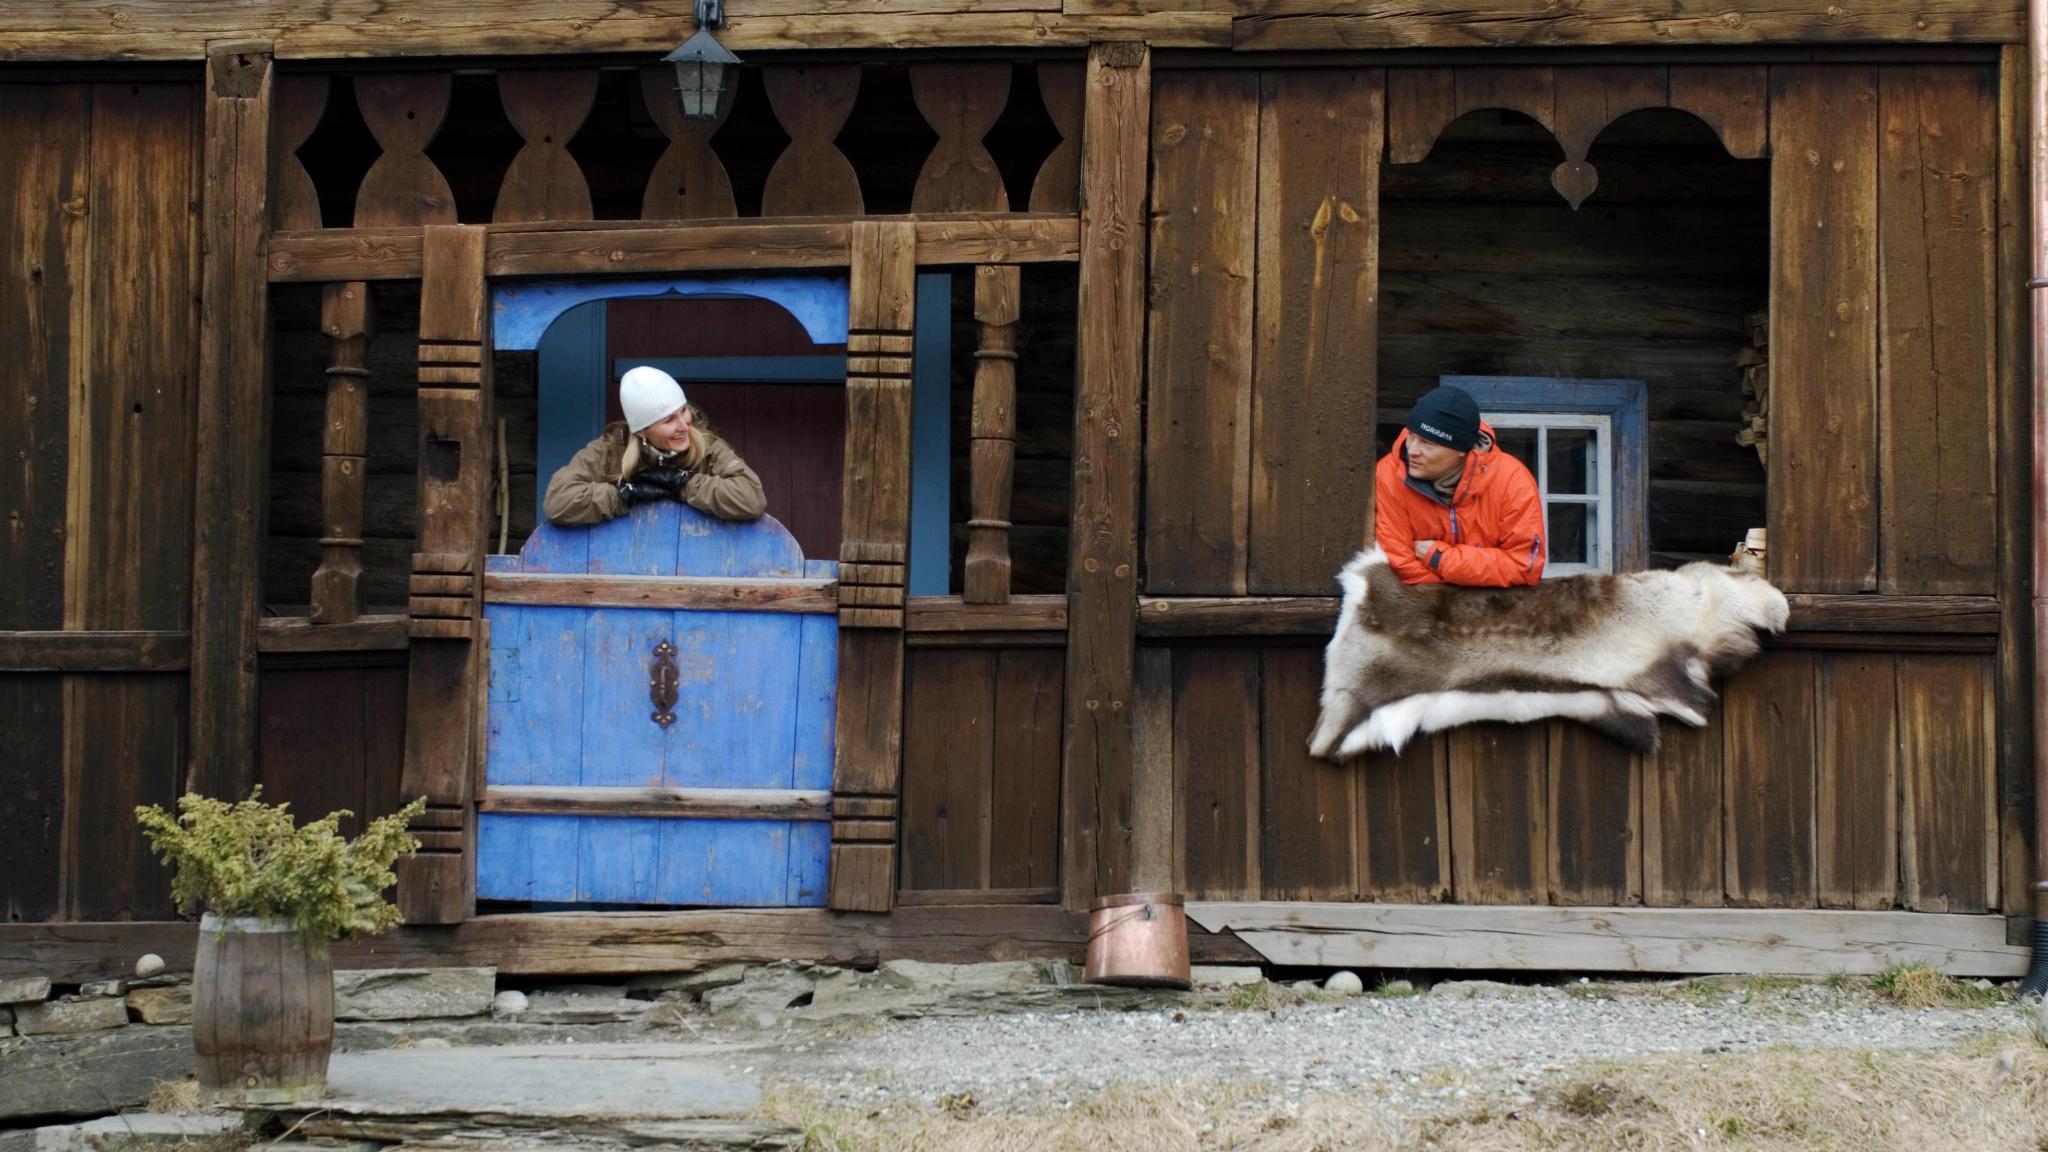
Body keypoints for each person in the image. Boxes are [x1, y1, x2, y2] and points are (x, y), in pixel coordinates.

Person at [543, 365, 767, 526]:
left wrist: (684, 483)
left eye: (683, 411)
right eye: (669, 420)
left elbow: (751, 499)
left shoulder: (708, 446)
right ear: (641, 430)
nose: (684, 426)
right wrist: (624, 495)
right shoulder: (611, 448)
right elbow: (558, 502)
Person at [1373, 384, 1545, 587]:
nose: (1412, 450)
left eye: (1428, 443)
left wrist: (1439, 558)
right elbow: (1400, 564)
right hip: (1426, 608)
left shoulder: (1513, 481)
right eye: (1412, 436)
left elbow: (1526, 565)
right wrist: (1467, 589)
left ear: (1461, 450)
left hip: (1496, 608)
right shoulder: (1389, 474)